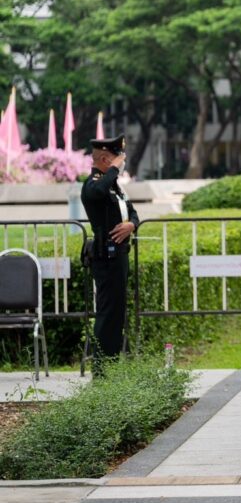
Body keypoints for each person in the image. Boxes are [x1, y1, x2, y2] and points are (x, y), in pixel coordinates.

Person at [81, 135, 139, 374]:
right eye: (118, 159)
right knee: (106, 313)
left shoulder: (114, 187)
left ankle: (112, 364)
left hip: (119, 256)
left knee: (117, 313)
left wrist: (131, 225)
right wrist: (113, 169)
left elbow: (133, 212)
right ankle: (101, 369)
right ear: (105, 159)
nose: (122, 163)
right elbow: (96, 193)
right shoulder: (93, 184)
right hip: (105, 258)